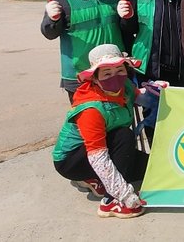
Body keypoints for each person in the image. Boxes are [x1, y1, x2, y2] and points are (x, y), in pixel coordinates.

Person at [52, 44, 160, 219]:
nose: (115, 77)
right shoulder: (91, 109)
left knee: (149, 169)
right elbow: (98, 157)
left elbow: (140, 98)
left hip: (109, 145)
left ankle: (95, 179)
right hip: (73, 159)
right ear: (95, 78)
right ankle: (110, 202)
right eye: (107, 73)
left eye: (120, 70)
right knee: (124, 135)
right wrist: (124, 194)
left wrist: (155, 92)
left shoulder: (124, 86)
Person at [42, 0, 124, 101]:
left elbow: (123, 28)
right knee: (89, 117)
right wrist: (52, 19)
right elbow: (49, 33)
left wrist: (127, 18)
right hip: (79, 74)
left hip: (113, 71)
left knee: (119, 115)